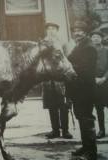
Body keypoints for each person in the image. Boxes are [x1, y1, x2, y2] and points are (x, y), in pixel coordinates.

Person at [66, 21, 97, 160]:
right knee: (81, 117)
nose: (76, 33)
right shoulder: (78, 45)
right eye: (75, 30)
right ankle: (85, 146)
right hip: (77, 89)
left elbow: (84, 69)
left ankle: (91, 152)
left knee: (86, 119)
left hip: (85, 89)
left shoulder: (89, 47)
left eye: (80, 30)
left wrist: (68, 69)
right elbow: (69, 60)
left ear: (85, 32)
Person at [42, 22, 73, 139]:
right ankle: (55, 130)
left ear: (57, 30)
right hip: (48, 79)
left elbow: (69, 58)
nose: (50, 31)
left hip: (61, 79)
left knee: (64, 105)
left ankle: (65, 130)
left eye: (53, 29)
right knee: (51, 105)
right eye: (48, 28)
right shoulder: (43, 43)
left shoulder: (64, 43)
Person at [90, 31, 108, 139]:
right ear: (91, 39)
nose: (96, 39)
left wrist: (104, 78)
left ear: (102, 39)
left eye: (98, 37)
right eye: (93, 37)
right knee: (99, 108)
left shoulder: (106, 50)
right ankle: (102, 130)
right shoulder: (89, 52)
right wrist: (93, 78)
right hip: (94, 82)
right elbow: (87, 67)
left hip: (106, 81)